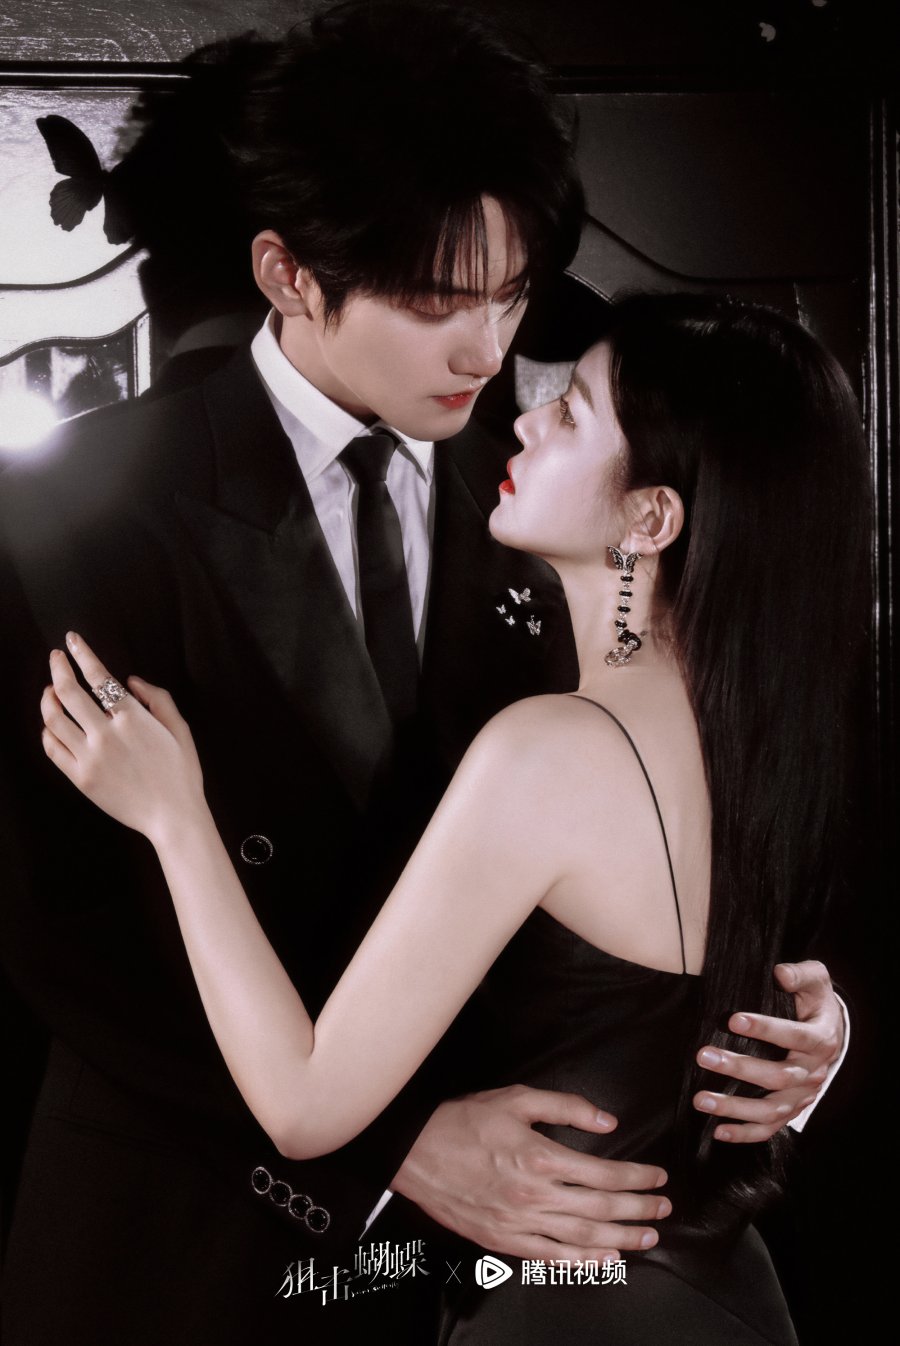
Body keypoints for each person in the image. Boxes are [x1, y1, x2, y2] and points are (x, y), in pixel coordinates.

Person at [0, 6, 844, 1342]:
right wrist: (388, 1145)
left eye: (511, 295)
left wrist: (785, 1029)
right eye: (437, 303)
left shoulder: (569, 491)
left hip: (507, 1272)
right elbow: (52, 922)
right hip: (192, 1240)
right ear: (288, 274)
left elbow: (686, 803)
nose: (487, 352)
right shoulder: (75, 507)